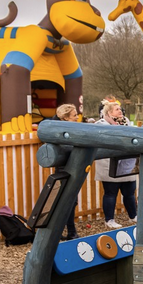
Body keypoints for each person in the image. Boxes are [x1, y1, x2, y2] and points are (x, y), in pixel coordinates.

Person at [94, 100, 138, 229]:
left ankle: (133, 216)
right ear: (109, 112)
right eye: (117, 109)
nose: (120, 111)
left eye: (120, 109)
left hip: (127, 163)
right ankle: (109, 219)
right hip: (109, 164)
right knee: (110, 193)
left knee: (129, 192)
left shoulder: (127, 123)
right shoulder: (101, 125)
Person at [55, 103, 82, 240]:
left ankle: (69, 231)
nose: (77, 117)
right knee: (67, 202)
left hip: (72, 168)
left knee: (71, 202)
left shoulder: (71, 129)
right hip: (64, 170)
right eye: (74, 115)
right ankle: (67, 231)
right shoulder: (62, 131)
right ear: (65, 118)